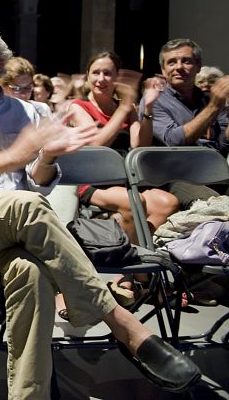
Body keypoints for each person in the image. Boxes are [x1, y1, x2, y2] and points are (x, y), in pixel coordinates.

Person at [0, 15, 201, 399]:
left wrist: (45, 158)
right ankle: (125, 327)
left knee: (29, 274)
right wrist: (17, 154)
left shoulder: (27, 113)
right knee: (27, 207)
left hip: (15, 228)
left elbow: (37, 183)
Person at [63, 51, 178, 311]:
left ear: (117, 77)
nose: (101, 78)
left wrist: (146, 108)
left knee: (167, 202)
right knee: (134, 202)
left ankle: (128, 279)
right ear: (88, 76)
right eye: (96, 72)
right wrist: (125, 109)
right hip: (92, 181)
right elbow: (95, 145)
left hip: (126, 180)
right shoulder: (79, 107)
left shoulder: (125, 107)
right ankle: (143, 279)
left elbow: (141, 144)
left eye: (108, 73)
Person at [144, 38, 229, 157]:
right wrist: (213, 107)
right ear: (163, 70)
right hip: (178, 169)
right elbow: (174, 141)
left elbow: (224, 145)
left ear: (198, 66)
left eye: (186, 61)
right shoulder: (154, 101)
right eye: (171, 62)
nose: (179, 67)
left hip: (216, 165)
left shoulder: (210, 99)